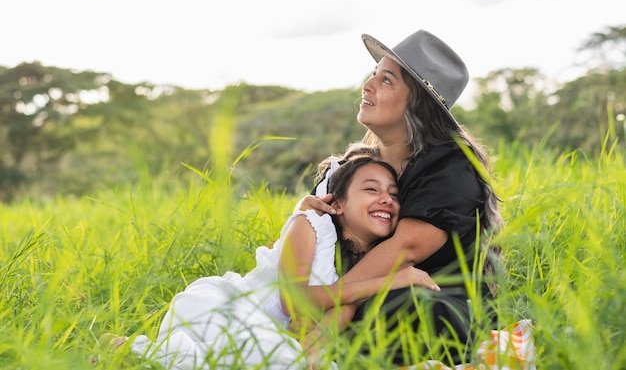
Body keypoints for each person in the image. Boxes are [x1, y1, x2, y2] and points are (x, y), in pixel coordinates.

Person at [100, 153, 441, 370]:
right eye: (371, 189)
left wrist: (312, 355)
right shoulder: (310, 226)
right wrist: (394, 279)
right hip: (223, 309)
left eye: (394, 195)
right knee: (273, 357)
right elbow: (295, 303)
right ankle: (133, 351)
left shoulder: (359, 270)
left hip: (266, 338)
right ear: (335, 204)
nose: (386, 199)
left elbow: (328, 325)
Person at [301, 29, 503, 366]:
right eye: (373, 75)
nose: (368, 86)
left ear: (419, 104)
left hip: (423, 304)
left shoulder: (449, 166)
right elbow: (309, 249)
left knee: (411, 302)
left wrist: (323, 307)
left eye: (387, 80)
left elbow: (403, 251)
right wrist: (303, 218)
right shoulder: (353, 167)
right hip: (350, 301)